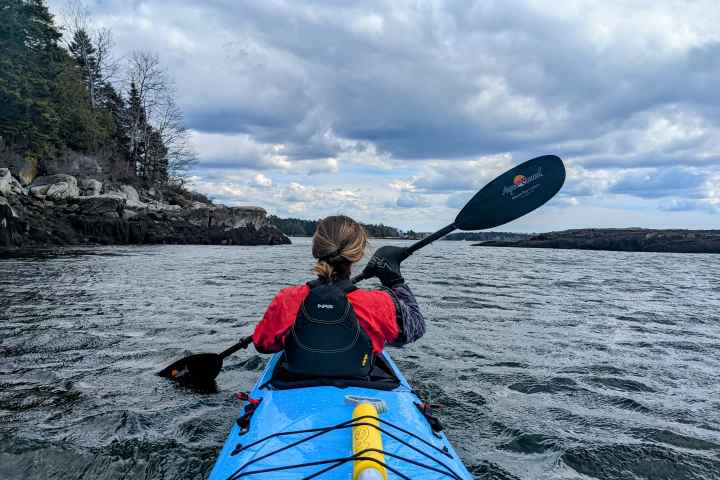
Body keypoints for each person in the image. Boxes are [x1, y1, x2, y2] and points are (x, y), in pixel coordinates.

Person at [252, 215, 426, 378]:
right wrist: (395, 281)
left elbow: (263, 345)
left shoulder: (287, 298)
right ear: (357, 255)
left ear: (316, 249)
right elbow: (415, 328)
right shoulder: (380, 303)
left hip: (296, 379)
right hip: (361, 383)